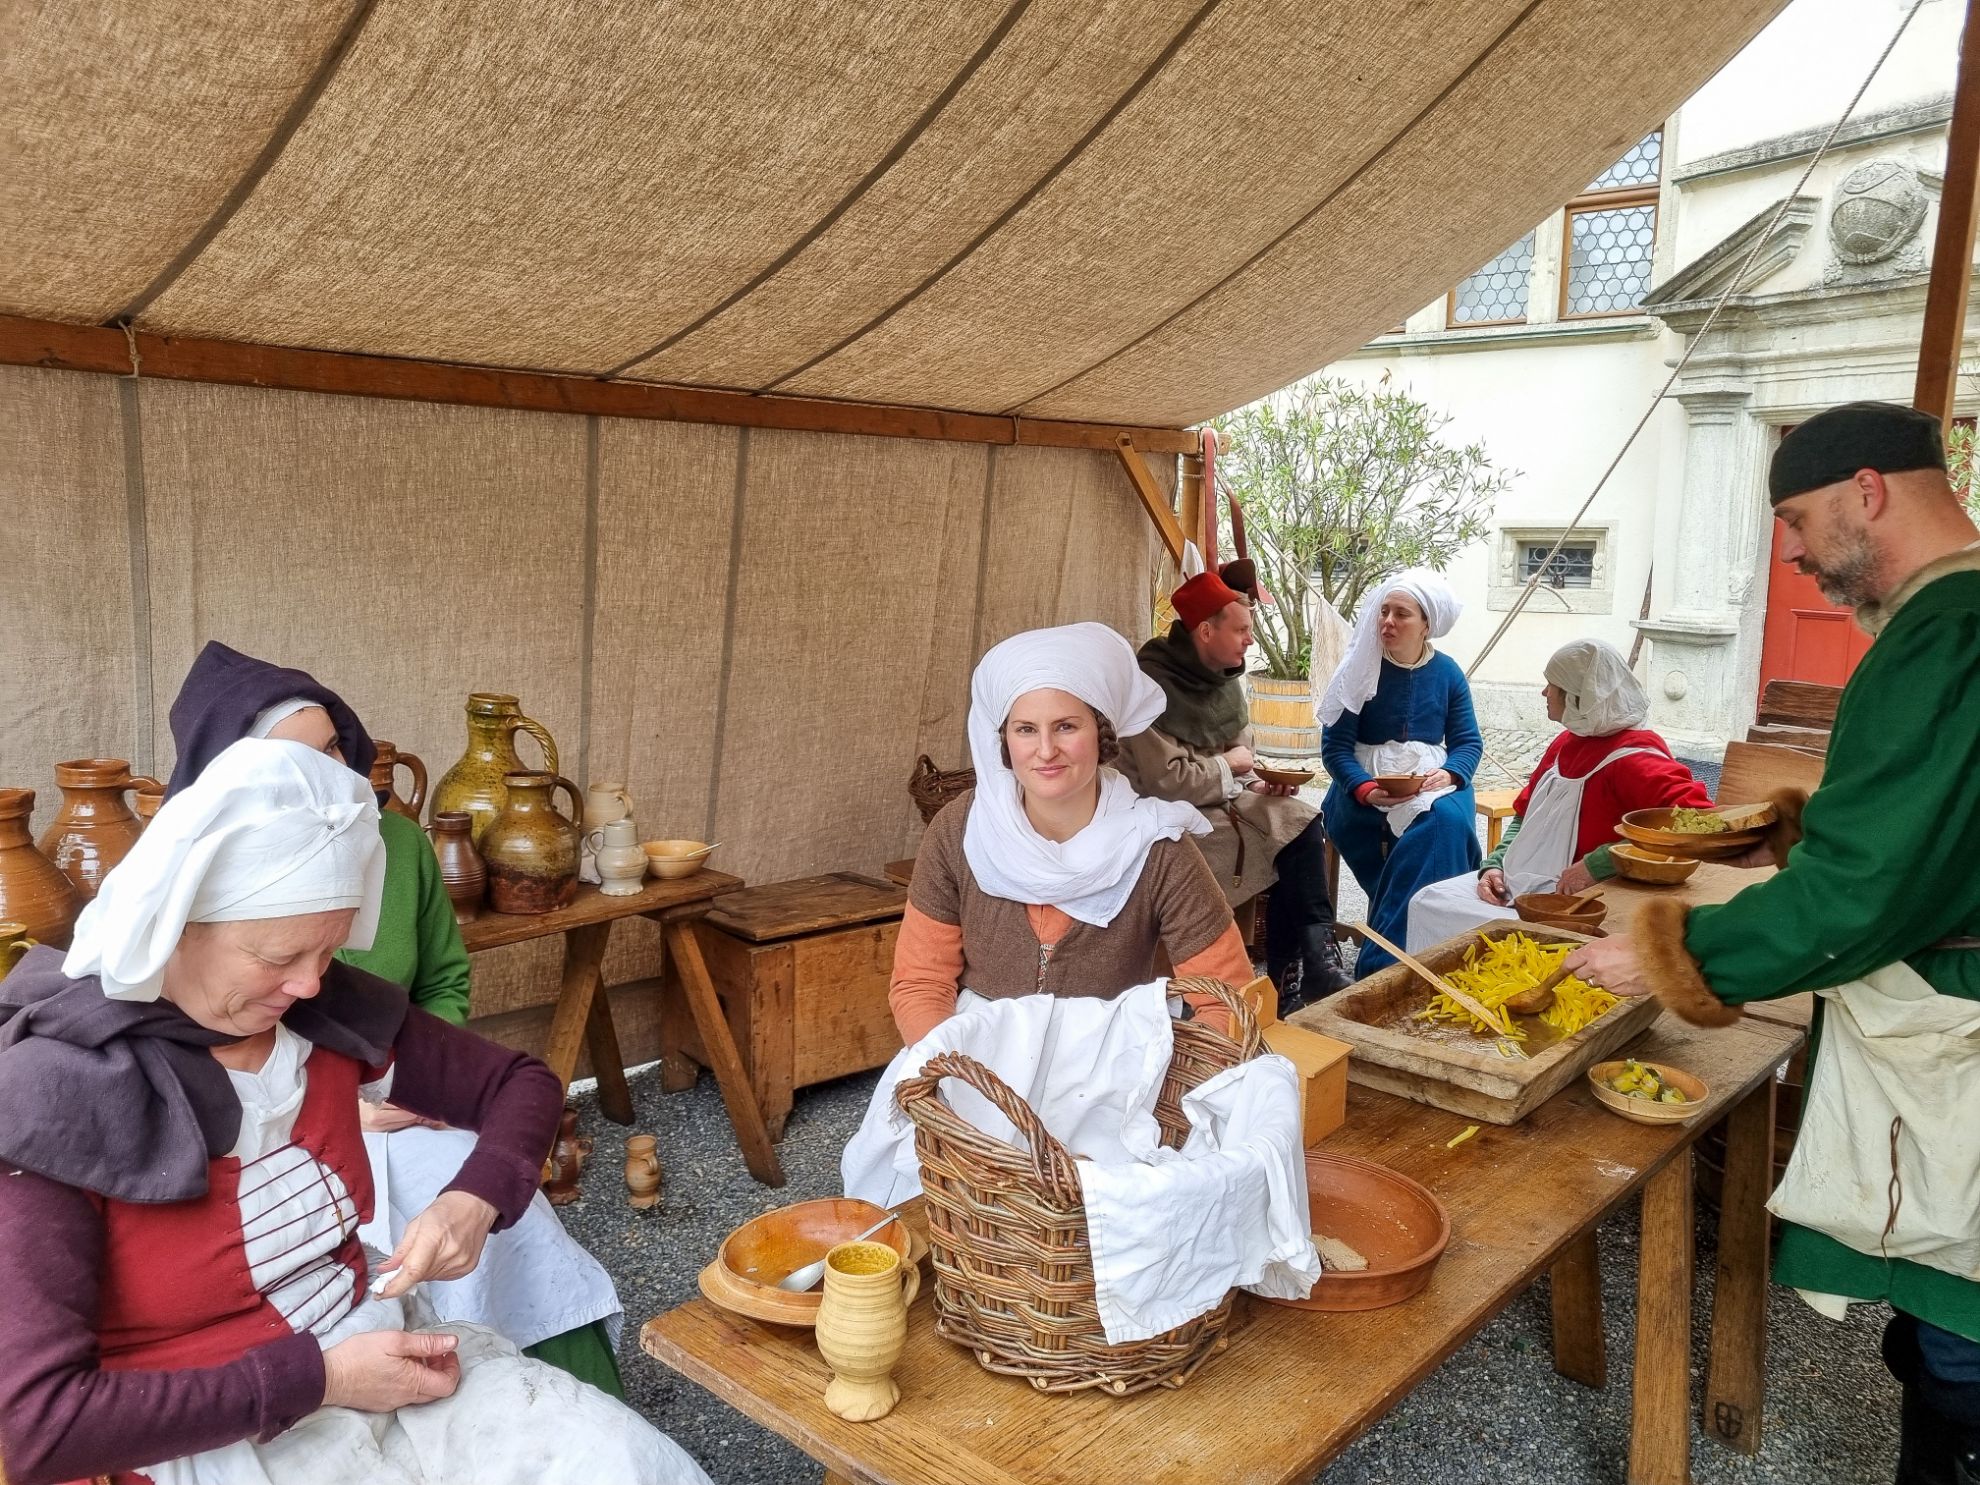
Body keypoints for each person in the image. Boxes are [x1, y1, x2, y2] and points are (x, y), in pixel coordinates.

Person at [0, 739, 707, 1484]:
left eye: (329, 948)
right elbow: (41, 1425)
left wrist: (475, 1199)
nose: (308, 984)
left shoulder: (318, 1011)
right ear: (176, 922)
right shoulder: (57, 1094)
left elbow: (520, 1083)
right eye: (277, 956)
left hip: (373, 1354)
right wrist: (323, 1378)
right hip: (198, 1437)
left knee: (621, 1462)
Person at [1563, 402, 1980, 1485]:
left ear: (1868, 491)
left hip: (1960, 1026)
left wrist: (1666, 955)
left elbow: (1865, 890)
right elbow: (1920, 830)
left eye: (1796, 518)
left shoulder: (1947, 629)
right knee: (1939, 1341)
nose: (1792, 552)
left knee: (1963, 1346)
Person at [164, 641, 623, 1396]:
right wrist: (340, 1098)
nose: (326, 784)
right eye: (291, 765)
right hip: (290, 1209)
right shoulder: (156, 967)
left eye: (332, 755)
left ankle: (548, 1385)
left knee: (512, 1223)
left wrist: (462, 1180)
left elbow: (443, 993)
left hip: (400, 1092)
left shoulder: (393, 858)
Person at [889, 622, 1256, 1044]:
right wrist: (947, 1070)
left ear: (1102, 735)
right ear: (1005, 741)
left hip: (1113, 1063)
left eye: (1066, 726)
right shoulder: (959, 832)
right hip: (974, 1054)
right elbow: (921, 982)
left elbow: (1230, 1000)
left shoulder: (1156, 846)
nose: (1045, 750)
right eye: (1026, 729)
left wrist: (1161, 1078)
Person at [1117, 562, 1351, 1007]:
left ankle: (1307, 968)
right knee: (1279, 845)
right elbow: (1168, 781)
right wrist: (1231, 767)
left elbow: (1239, 759)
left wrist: (1256, 783)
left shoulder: (1224, 679)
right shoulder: (1148, 686)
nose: (1250, 639)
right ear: (1206, 632)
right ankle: (1292, 982)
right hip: (1160, 815)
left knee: (1300, 823)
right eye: (1242, 629)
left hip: (1216, 799)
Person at [1403, 639, 1711, 950]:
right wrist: (1495, 864)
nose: (1544, 692)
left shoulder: (1636, 760)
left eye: (1553, 685)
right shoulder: (1565, 743)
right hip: (1524, 883)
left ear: (1580, 697)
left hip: (1581, 900)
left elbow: (1697, 821)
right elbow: (1526, 816)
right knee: (1428, 904)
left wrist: (1600, 863)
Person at [1317, 570, 1483, 975]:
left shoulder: (1447, 674)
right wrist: (1367, 789)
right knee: (1416, 834)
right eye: (1384, 611)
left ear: (1426, 625)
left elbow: (1468, 743)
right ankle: (1405, 958)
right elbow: (1335, 749)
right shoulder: (1359, 669)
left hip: (1433, 781)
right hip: (1363, 790)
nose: (1387, 621)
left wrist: (1450, 775)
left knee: (1443, 823)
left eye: (1401, 614)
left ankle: (1390, 956)